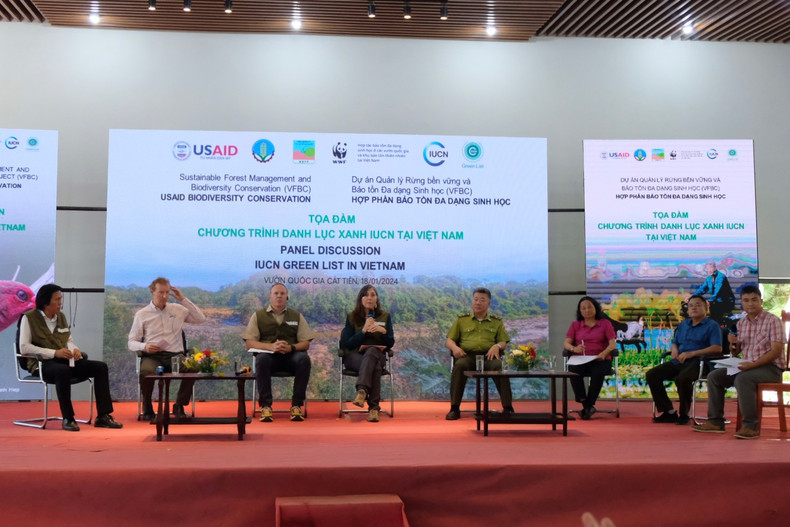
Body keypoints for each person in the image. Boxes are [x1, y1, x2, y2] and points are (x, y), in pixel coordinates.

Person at [19, 284, 123, 431]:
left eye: (61, 299)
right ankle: (68, 418)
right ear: (45, 302)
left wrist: (75, 350)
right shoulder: (29, 318)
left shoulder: (61, 317)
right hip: (41, 364)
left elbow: (68, 340)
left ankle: (103, 416)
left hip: (64, 361)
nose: (60, 302)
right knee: (62, 371)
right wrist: (54, 353)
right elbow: (24, 348)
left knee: (100, 367)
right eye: (57, 299)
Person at [693, 285, 786, 439]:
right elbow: (736, 352)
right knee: (714, 376)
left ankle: (750, 426)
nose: (750, 304)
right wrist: (732, 344)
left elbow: (776, 351)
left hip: (771, 369)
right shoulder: (741, 323)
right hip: (747, 366)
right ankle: (716, 422)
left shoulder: (773, 321)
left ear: (761, 301)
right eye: (746, 300)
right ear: (742, 303)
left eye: (754, 300)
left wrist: (752, 365)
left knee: (743, 378)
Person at [128, 277, 206, 421]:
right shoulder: (142, 314)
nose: (164, 296)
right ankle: (147, 406)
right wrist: (144, 346)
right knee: (146, 371)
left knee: (192, 366)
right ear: (152, 292)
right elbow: (131, 342)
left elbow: (200, 318)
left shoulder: (178, 309)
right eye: (160, 293)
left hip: (175, 355)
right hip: (153, 355)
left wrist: (182, 299)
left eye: (167, 293)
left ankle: (179, 405)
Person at [646, 295, 722, 425]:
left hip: (699, 362)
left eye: (698, 305)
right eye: (691, 305)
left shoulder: (712, 325)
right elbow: (675, 342)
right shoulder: (683, 324)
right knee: (652, 374)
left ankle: (684, 414)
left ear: (706, 308)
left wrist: (692, 353)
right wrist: (674, 349)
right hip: (680, 361)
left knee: (682, 379)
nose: (694, 308)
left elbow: (717, 348)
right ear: (687, 310)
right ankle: (668, 412)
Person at [242, 283, 314, 422]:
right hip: (269, 358)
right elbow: (249, 343)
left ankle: (297, 405)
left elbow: (306, 343)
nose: (279, 296)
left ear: (287, 297)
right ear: (270, 296)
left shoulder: (297, 316)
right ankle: (265, 406)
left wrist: (291, 348)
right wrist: (270, 347)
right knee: (261, 359)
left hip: (291, 357)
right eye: (276, 293)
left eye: (282, 293)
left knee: (304, 359)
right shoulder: (258, 316)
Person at [445, 287, 513, 420]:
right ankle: (454, 408)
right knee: (459, 366)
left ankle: (508, 408)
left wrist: (497, 345)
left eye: (482, 300)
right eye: (475, 299)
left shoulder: (496, 322)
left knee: (499, 367)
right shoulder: (462, 320)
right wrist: (455, 348)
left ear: (489, 303)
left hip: (489, 356)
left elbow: (503, 342)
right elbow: (449, 341)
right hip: (467, 356)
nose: (478, 303)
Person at [339, 285, 395, 423]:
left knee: (372, 352)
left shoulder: (385, 316)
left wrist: (383, 333)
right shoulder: (352, 317)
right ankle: (374, 409)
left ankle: (362, 391)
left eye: (372, 295)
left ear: (376, 299)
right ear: (361, 299)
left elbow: (390, 343)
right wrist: (363, 331)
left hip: (377, 355)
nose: (369, 298)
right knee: (374, 366)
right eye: (366, 295)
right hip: (354, 357)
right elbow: (347, 344)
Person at [563, 296, 617, 420]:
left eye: (589, 307)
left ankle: (588, 406)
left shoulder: (605, 323)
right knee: (572, 371)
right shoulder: (576, 325)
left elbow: (612, 344)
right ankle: (587, 405)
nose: (587, 310)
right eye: (583, 308)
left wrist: (603, 354)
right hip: (581, 358)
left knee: (597, 372)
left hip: (600, 358)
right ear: (580, 311)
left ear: (595, 308)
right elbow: (566, 343)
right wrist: (574, 349)